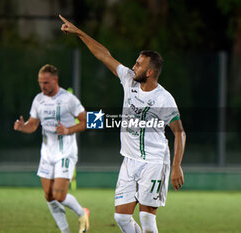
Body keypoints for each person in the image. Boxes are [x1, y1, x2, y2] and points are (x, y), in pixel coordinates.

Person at [59, 15, 186, 233]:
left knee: (147, 219)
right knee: (121, 218)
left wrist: (175, 166)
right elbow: (103, 55)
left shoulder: (164, 99)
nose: (133, 66)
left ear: (150, 72)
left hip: (154, 162)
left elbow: (180, 132)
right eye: (135, 62)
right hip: (129, 160)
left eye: (138, 65)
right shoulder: (128, 80)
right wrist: (79, 33)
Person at [14, 64, 89, 233]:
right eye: (40, 82)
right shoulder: (38, 100)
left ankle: (81, 212)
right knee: (48, 196)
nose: (43, 86)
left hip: (66, 152)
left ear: (55, 80)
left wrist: (68, 130)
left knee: (59, 196)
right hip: (47, 154)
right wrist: (22, 127)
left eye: (46, 82)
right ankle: (65, 231)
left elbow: (88, 121)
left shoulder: (69, 99)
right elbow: (32, 125)